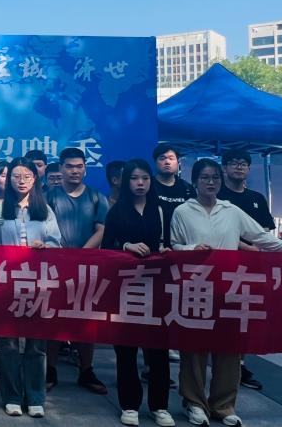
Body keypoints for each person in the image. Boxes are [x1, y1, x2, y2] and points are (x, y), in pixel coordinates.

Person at [170, 159, 282, 427]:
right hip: (195, 287)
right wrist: (190, 249)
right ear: (194, 181)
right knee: (193, 348)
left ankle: (223, 405)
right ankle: (194, 402)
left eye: (215, 177)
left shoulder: (231, 211)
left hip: (229, 288)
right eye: (205, 177)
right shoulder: (182, 211)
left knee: (230, 349)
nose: (211, 182)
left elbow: (262, 237)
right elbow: (174, 245)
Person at [0, 157, 61, 418]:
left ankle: (36, 397)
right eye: (15, 176)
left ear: (34, 179)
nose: (21, 181)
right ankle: (12, 396)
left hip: (38, 284)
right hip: (8, 285)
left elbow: (57, 244)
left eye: (26, 176)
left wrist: (45, 247)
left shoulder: (45, 210)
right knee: (8, 344)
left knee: (36, 345)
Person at [101, 160, 174, 427]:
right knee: (126, 349)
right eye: (134, 178)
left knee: (158, 349)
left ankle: (159, 406)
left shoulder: (161, 210)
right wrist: (126, 246)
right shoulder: (116, 211)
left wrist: (166, 250)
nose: (140, 183)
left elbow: (169, 243)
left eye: (145, 178)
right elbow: (105, 249)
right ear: (126, 182)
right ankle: (129, 404)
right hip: (126, 288)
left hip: (157, 286)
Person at [45, 148, 108, 395]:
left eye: (79, 166)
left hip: (87, 267)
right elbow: (44, 229)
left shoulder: (96, 197)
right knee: (53, 319)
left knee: (86, 321)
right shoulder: (49, 196)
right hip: (55, 266)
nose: (75, 171)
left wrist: (80, 254)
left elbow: (101, 230)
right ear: (60, 169)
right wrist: (63, 255)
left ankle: (86, 370)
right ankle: (50, 369)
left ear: (85, 169)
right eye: (69, 166)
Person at [218, 149, 274, 391]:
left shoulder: (257, 198)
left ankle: (240, 364)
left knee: (244, 317)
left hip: (251, 268)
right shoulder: (218, 196)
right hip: (223, 265)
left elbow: (265, 231)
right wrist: (246, 246)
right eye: (234, 163)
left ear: (249, 169)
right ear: (224, 168)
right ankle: (223, 362)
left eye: (243, 164)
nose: (239, 167)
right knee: (222, 316)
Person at [152, 144, 196, 247]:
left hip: (183, 245)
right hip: (155, 246)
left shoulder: (187, 189)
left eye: (171, 158)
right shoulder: (149, 187)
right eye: (162, 158)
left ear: (178, 162)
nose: (167, 162)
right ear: (155, 162)